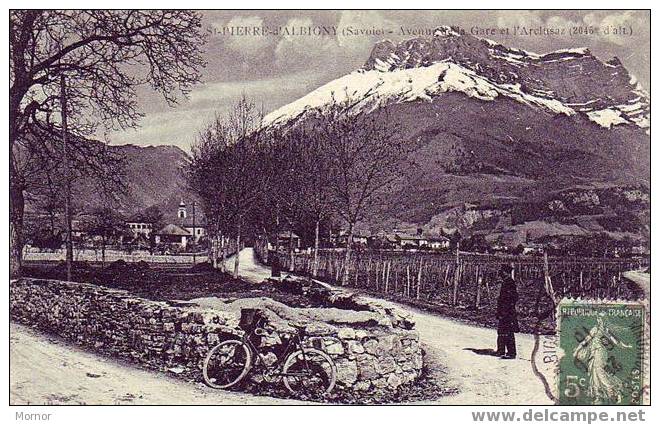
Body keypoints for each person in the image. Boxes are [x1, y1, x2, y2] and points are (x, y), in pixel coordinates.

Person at [496, 264, 519, 359]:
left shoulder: (510, 283)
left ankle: (511, 353)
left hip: (507, 311)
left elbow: (512, 298)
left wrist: (505, 311)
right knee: (501, 330)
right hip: (504, 310)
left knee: (508, 332)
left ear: (506, 272)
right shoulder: (506, 282)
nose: (500, 273)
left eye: (502, 271)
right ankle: (501, 350)